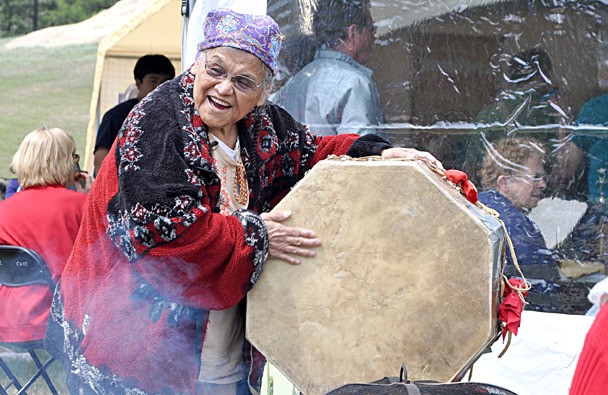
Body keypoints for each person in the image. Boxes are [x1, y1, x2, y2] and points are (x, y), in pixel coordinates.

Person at [45, 8, 442, 395]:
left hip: (219, 345)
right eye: (215, 70)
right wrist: (256, 234)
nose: (223, 88)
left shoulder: (260, 123)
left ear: (262, 91)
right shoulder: (158, 123)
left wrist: (371, 152)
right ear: (197, 64)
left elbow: (310, 153)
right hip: (135, 337)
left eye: (243, 81)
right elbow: (166, 237)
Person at [0, 127, 92, 344]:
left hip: (7, 321)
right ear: (64, 163)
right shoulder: (81, 206)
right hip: (59, 324)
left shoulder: (4, 210)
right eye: (73, 157)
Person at [270, 0, 385, 137]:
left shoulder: (295, 82)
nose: (374, 38)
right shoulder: (354, 84)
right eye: (372, 30)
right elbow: (361, 152)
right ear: (352, 33)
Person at [463, 47, 570, 186]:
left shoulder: (489, 113)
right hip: (538, 200)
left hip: (489, 198)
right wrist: (563, 118)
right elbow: (561, 171)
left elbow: (469, 169)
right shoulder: (546, 112)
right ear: (543, 76)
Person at [93, 54, 176, 174]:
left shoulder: (175, 116)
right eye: (153, 80)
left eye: (165, 82)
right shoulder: (117, 116)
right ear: (138, 83)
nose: (159, 86)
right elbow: (100, 158)